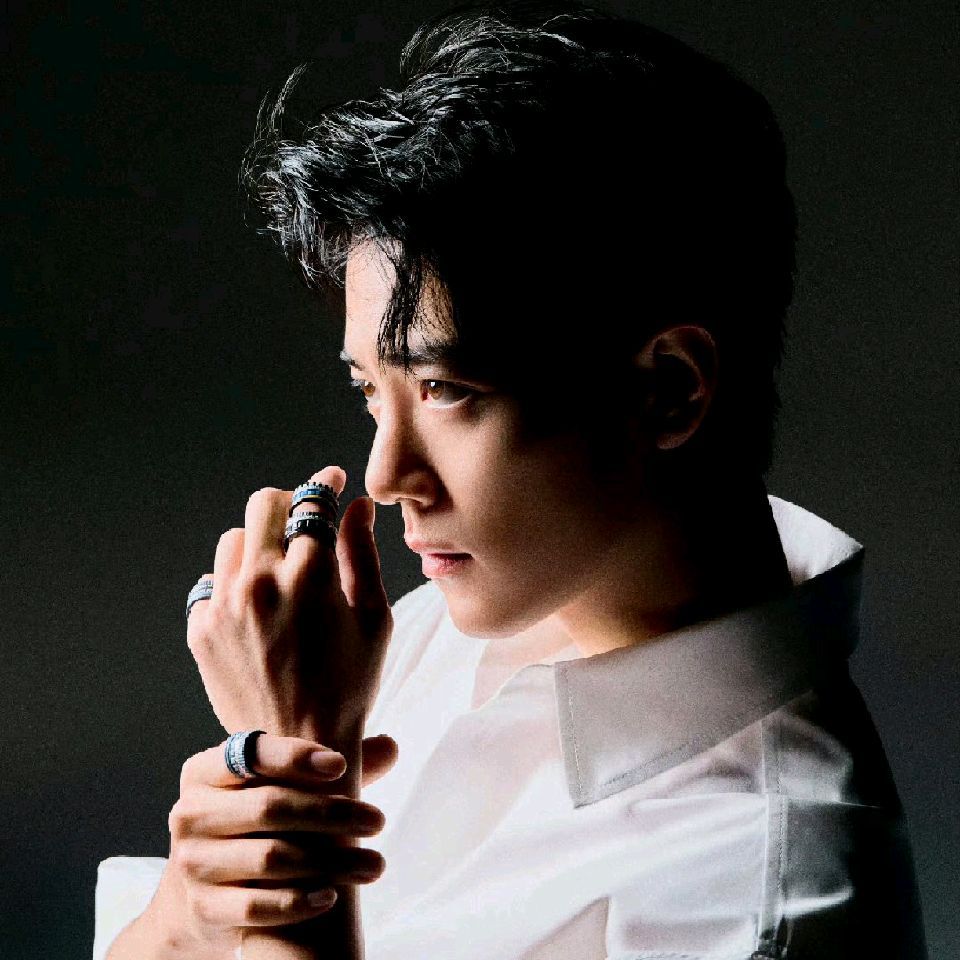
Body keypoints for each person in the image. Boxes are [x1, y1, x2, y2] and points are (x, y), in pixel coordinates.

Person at [93, 2, 928, 958]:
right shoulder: (424, 643)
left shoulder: (766, 890)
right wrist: (191, 910)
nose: (387, 476)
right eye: (370, 391)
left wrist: (299, 836)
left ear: (668, 390)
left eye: (447, 389)